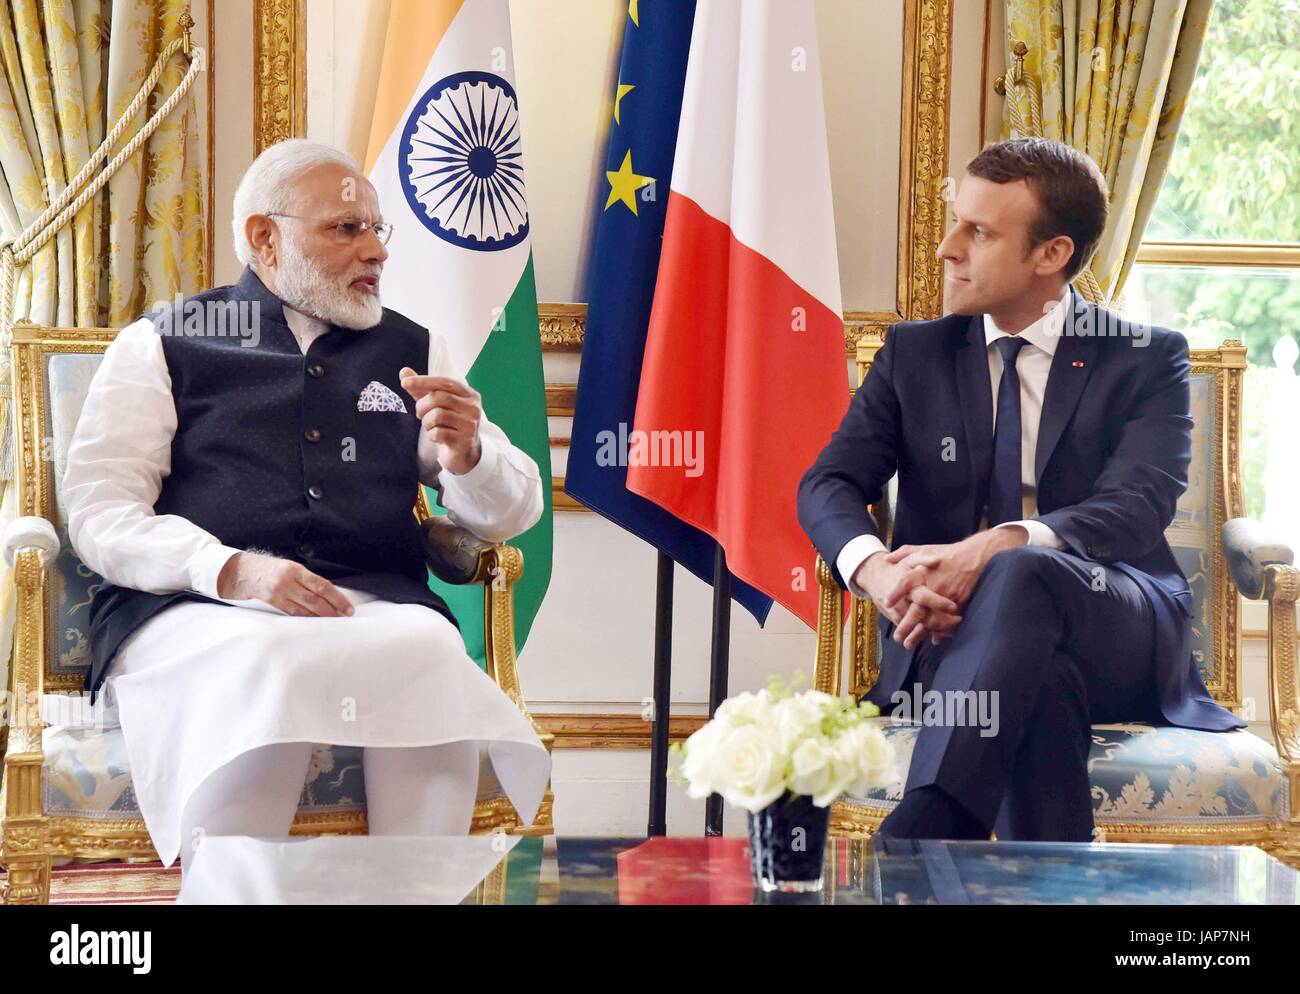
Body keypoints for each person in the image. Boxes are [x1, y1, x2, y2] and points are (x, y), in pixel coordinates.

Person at [63, 139, 550, 871]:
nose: (375, 252)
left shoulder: (414, 348)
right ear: (266, 237)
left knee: (429, 648)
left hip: (367, 602)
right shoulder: (162, 341)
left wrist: (470, 456)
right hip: (199, 609)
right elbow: (101, 510)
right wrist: (232, 571)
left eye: (377, 230)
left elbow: (509, 516)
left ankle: (409, 899)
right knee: (269, 660)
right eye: (345, 229)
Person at [797, 137, 1244, 843]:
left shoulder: (1145, 357)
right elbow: (829, 481)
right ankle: (1041, 884)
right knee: (1041, 689)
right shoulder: (915, 354)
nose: (948, 248)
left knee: (1025, 566)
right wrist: (878, 573)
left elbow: (1137, 505)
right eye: (956, 222)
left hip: (1116, 619)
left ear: (1051, 254)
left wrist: (998, 546)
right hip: (952, 632)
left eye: (978, 232)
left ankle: (926, 826)